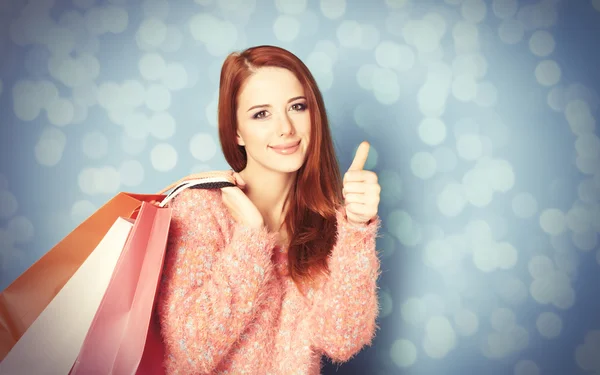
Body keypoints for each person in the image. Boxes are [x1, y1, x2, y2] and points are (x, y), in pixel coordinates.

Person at [155, 45, 382, 375]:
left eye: (297, 107)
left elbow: (341, 339)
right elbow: (193, 350)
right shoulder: (200, 208)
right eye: (261, 114)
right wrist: (249, 238)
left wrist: (358, 229)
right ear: (236, 132)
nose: (285, 128)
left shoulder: (326, 221)